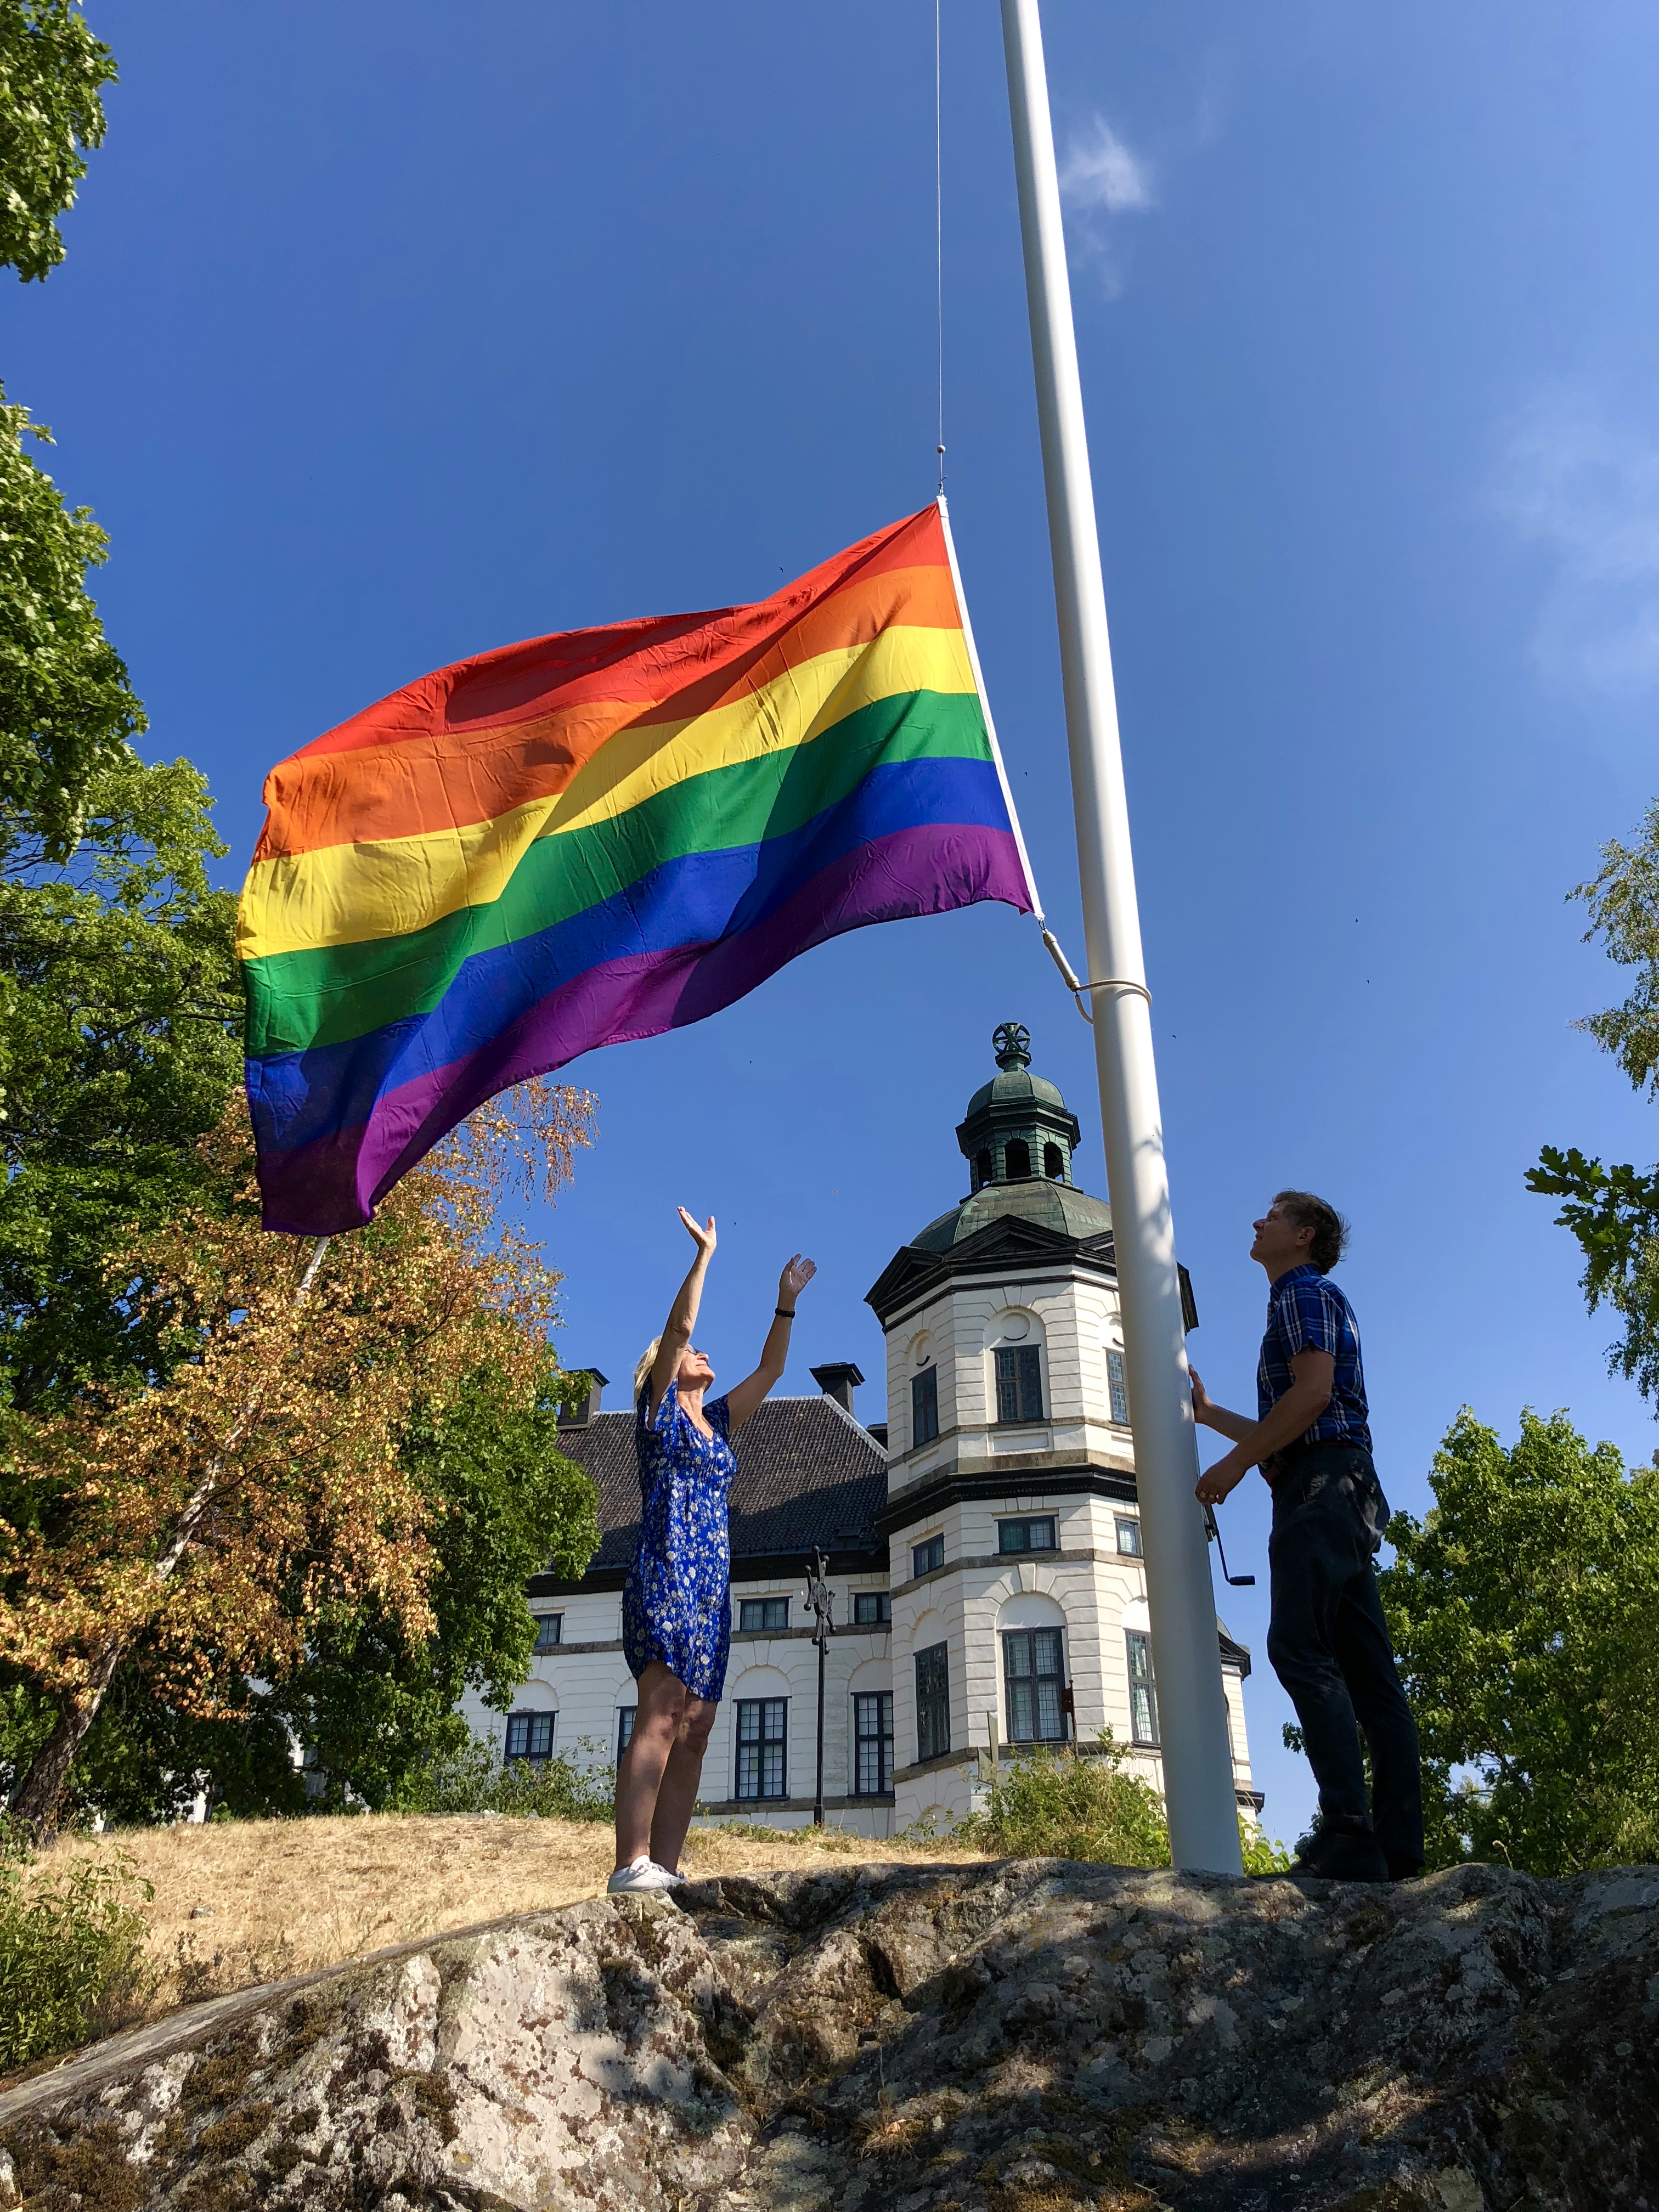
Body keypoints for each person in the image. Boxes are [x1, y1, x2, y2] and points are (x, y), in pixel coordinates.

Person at [1190, 1190, 1423, 1884]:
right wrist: (1213, 1417)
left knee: (1298, 1645)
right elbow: (1297, 1422)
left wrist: (1233, 1466)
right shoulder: (1310, 1298)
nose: (1256, 1221)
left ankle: (1348, 1832)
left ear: (1304, 1234)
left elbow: (1314, 1395)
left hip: (1320, 1489)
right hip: (1342, 1486)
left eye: (1273, 1215)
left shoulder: (1300, 1293)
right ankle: (1397, 1849)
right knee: (1372, 1677)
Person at [608, 1206, 816, 1896]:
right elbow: (679, 1329)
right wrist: (704, 1257)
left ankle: (666, 1870)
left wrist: (785, 1302)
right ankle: (630, 1862)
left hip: (709, 1591)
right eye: (691, 1355)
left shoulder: (719, 1422)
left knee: (695, 1728)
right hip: (667, 1571)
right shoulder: (658, 1414)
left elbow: (772, 1367)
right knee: (662, 1710)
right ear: (665, 1371)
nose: (701, 1353)